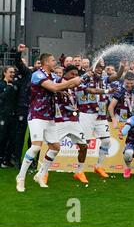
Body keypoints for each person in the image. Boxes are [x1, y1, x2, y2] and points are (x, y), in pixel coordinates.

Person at [15, 52, 83, 192]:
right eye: (53, 60)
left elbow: (61, 84)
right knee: (35, 147)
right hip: (37, 116)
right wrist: (71, 83)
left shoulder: (53, 76)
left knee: (55, 147)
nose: (55, 62)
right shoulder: (38, 75)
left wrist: (74, 81)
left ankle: (40, 175)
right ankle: (21, 177)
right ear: (46, 62)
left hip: (50, 117)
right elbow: (54, 87)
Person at [75, 59, 124, 179]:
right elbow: (91, 90)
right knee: (84, 145)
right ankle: (79, 171)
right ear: (92, 67)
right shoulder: (84, 79)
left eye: (102, 68)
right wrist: (107, 91)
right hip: (87, 114)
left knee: (106, 141)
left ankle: (98, 166)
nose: (100, 69)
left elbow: (117, 76)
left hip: (101, 115)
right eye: (97, 67)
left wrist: (122, 67)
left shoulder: (104, 79)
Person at [54, 65, 89, 184]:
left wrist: (106, 91)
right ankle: (43, 173)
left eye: (76, 75)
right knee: (53, 148)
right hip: (60, 121)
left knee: (84, 146)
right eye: (72, 74)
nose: (74, 76)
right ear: (65, 73)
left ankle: (79, 171)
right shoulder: (57, 82)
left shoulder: (76, 85)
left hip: (74, 120)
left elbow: (89, 90)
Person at [0, 66, 18, 168]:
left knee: (11, 138)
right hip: (2, 115)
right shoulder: (1, 84)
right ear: (4, 73)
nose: (12, 74)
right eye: (10, 72)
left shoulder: (14, 85)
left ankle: (6, 160)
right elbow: (2, 97)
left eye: (13, 72)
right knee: (2, 138)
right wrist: (8, 88)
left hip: (12, 116)